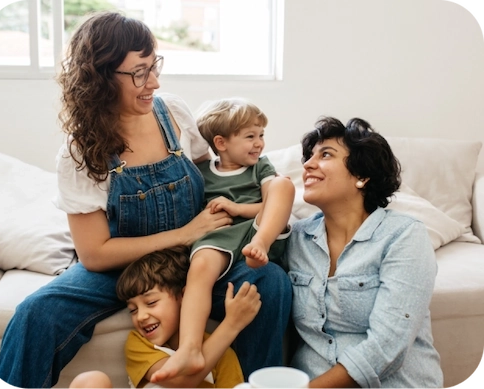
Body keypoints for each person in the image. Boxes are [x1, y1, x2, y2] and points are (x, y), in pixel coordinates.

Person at [0, 11, 292, 389]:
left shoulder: (175, 114)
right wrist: (182, 233)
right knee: (37, 313)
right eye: (139, 72)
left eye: (154, 66)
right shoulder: (80, 152)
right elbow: (95, 254)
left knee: (269, 282)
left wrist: (245, 211)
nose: (153, 81)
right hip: (121, 266)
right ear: (100, 78)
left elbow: (213, 175)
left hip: (197, 255)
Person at [283, 116, 444, 389]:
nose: (308, 165)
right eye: (309, 156)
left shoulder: (404, 235)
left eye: (325, 154)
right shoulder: (297, 238)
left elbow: (387, 345)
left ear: (361, 175)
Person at [153, 98, 295, 383]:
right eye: (250, 137)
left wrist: (238, 209)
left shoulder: (261, 168)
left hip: (258, 230)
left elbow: (272, 204)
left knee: (283, 184)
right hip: (220, 235)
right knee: (201, 266)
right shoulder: (202, 173)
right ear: (220, 143)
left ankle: (262, 246)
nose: (259, 144)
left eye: (261, 135)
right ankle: (190, 348)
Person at [120, 245, 260, 389]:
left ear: (184, 296)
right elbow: (181, 382)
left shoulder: (222, 354)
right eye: (133, 310)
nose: (141, 317)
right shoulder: (138, 344)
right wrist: (231, 325)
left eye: (151, 302)